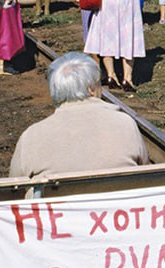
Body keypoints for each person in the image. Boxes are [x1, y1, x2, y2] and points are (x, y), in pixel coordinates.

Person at [9, 52, 149, 177]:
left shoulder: (31, 136)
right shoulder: (125, 124)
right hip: (116, 206)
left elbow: (14, 189)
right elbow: (145, 174)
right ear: (91, 89)